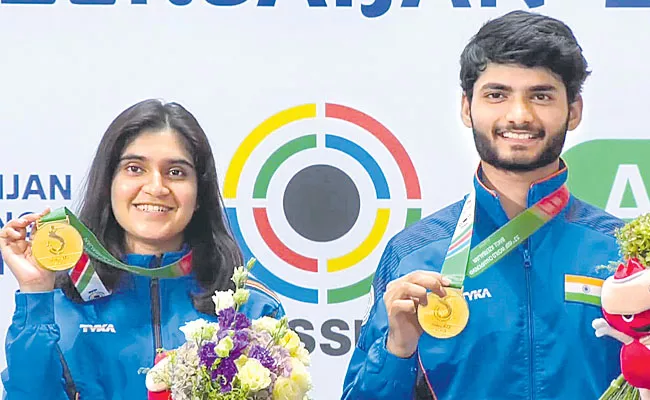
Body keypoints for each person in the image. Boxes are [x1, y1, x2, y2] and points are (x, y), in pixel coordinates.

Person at [342, 10, 645, 400]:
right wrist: (397, 351)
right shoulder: (414, 255)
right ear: (467, 108)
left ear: (574, 111)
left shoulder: (625, 256)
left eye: (541, 95)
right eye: (497, 94)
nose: (519, 115)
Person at [0, 99, 284, 399]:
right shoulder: (59, 307)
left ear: (199, 193)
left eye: (176, 172)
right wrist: (36, 294)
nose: (156, 187)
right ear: (109, 183)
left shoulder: (250, 308)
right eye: (135, 169)